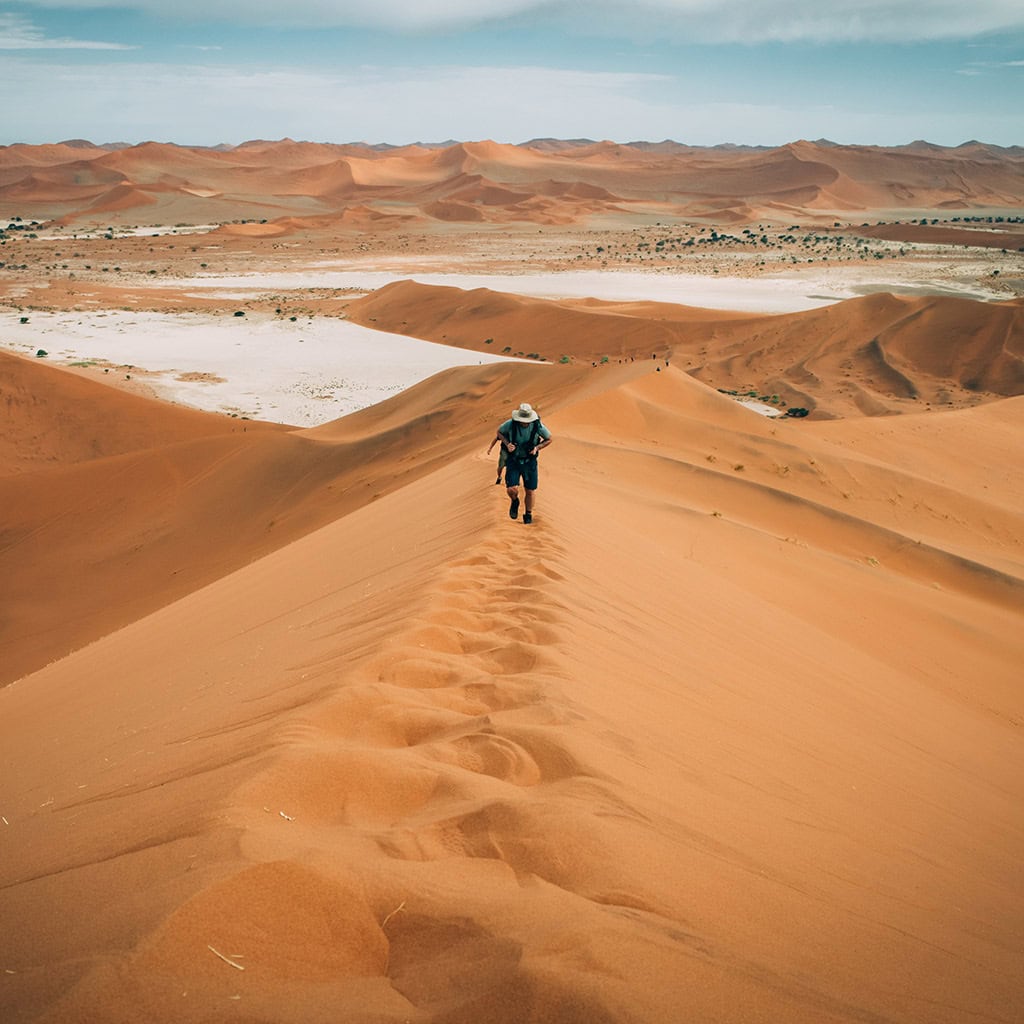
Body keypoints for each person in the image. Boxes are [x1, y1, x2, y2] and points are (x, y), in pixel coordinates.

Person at [493, 402, 552, 524]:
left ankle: (528, 515)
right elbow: (499, 432)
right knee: (511, 489)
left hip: (529, 462)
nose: (525, 422)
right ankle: (515, 501)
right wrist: (507, 443)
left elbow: (549, 439)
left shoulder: (537, 426)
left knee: (530, 490)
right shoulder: (510, 424)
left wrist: (537, 448)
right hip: (513, 460)